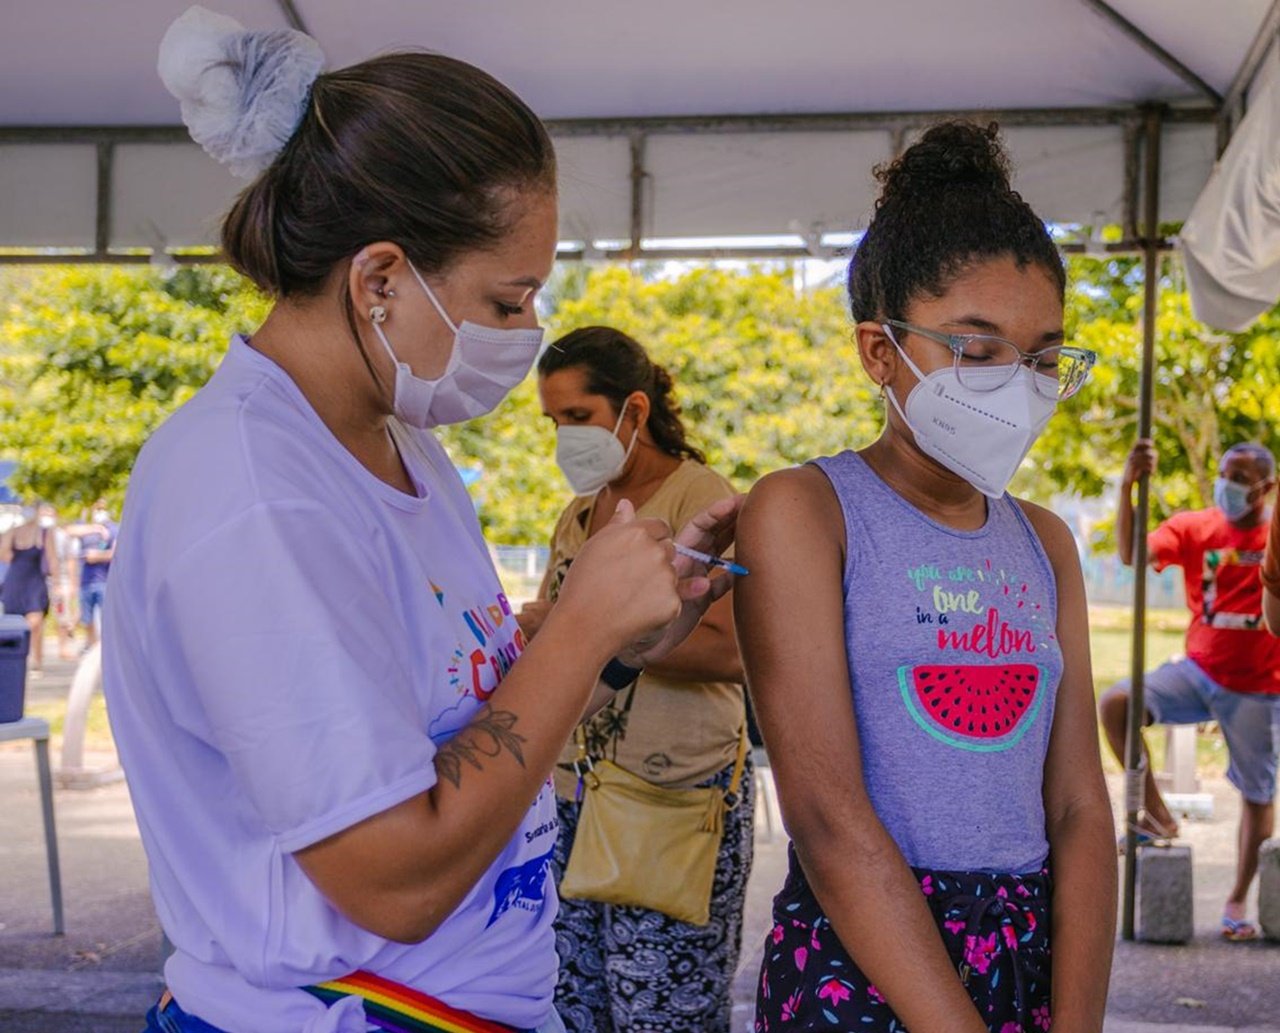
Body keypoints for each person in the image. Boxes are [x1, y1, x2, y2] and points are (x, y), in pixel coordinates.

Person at [103, 9, 739, 1033]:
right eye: (505, 300)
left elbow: (467, 723)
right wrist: (577, 631)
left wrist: (618, 644)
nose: (526, 334)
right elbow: (393, 877)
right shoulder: (252, 490)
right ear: (380, 278)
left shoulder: (398, 442)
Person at [736, 121, 1115, 1033]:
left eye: (1043, 355)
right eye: (976, 350)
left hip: (1027, 965)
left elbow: (1077, 808)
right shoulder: (806, 511)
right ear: (880, 352)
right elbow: (828, 819)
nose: (1016, 384)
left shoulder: (1047, 541)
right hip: (864, 962)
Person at [518, 327, 750, 1033]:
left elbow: (729, 647)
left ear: (635, 410)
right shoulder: (578, 513)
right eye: (554, 421)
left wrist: (579, 628)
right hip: (569, 793)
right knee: (572, 1006)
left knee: (662, 1011)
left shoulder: (699, 498)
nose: (564, 436)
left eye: (578, 416)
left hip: (670, 799)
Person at [1101, 439, 1280, 942]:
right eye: (1226, 473)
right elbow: (1132, 552)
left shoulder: (1275, 533)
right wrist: (1128, 487)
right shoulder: (1195, 527)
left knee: (1257, 793)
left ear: (1265, 488)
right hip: (1197, 672)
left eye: (1241, 479)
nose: (1229, 485)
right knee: (1116, 703)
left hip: (1259, 688)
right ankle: (1158, 818)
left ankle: (1237, 899)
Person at [0, 503, 58, 677]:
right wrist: (11, 533)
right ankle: (16, 661)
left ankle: (36, 661)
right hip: (15, 581)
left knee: (35, 622)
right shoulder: (14, 531)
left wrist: (57, 584)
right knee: (15, 623)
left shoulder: (44, 533)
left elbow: (52, 558)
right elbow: (4, 555)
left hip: (35, 581)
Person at [67, 498, 116, 651]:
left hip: (105, 580)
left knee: (105, 617)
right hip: (86, 581)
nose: (100, 512)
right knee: (86, 618)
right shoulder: (85, 528)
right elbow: (68, 530)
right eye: (97, 508)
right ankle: (92, 645)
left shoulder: (114, 529)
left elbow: (116, 553)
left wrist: (98, 556)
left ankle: (104, 647)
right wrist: (95, 528)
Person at [39, 502, 81, 660]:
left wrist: (72, 583)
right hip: (40, 579)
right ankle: (37, 650)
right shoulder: (35, 535)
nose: (46, 517)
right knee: (38, 616)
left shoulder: (62, 536)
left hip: (61, 580)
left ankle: (63, 648)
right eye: (44, 513)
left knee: (62, 615)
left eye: (50, 513)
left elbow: (71, 560)